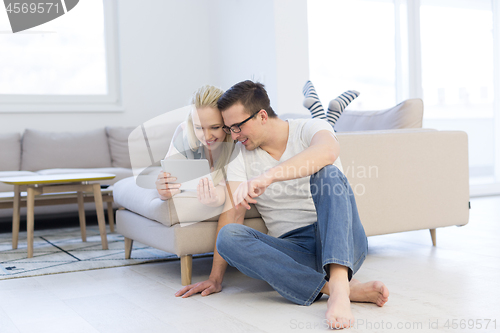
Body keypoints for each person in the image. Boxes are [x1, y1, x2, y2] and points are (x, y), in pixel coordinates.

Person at [175, 80, 389, 329]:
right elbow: (233, 214)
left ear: (262, 116)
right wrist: (215, 278)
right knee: (227, 236)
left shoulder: (309, 128)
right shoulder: (239, 155)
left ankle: (340, 291)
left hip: (340, 239)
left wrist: (269, 175)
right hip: (294, 251)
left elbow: (328, 151)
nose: (233, 136)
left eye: (237, 127)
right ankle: (335, 288)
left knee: (327, 173)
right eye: (229, 129)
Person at [156, 85, 233, 207]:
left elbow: (227, 188)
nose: (207, 136)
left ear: (227, 123)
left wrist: (215, 199)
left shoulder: (237, 141)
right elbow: (173, 182)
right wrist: (164, 192)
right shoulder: (184, 131)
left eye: (215, 127)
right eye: (199, 128)